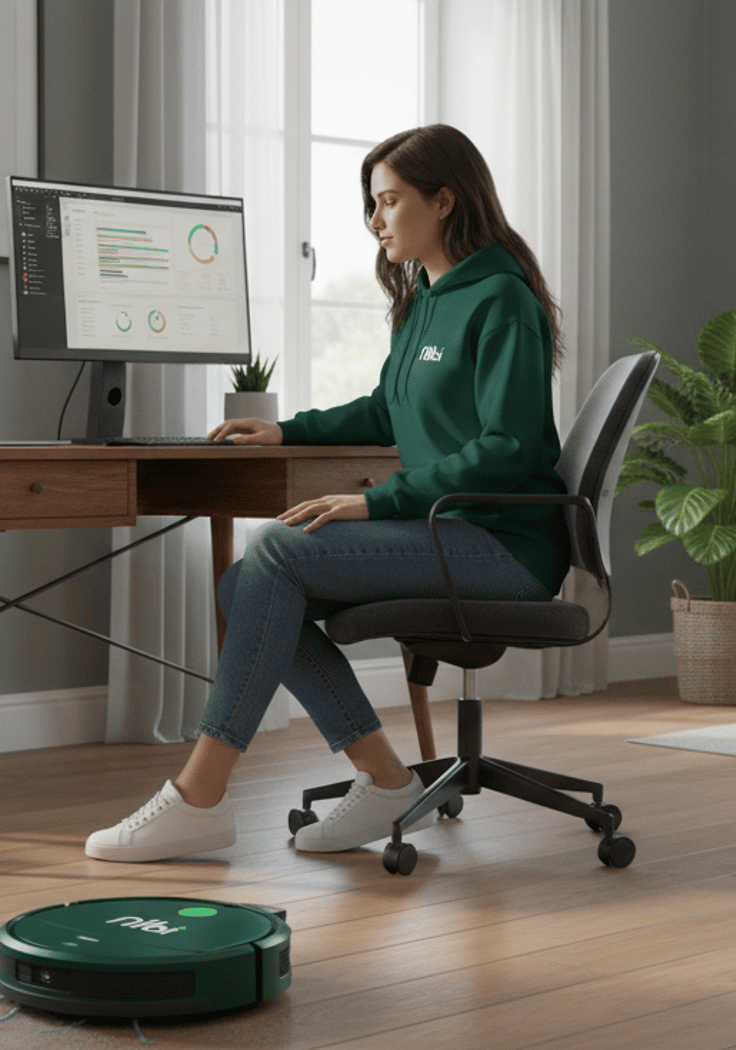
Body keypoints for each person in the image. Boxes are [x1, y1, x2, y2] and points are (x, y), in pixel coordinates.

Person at [84, 123, 571, 862]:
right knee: (243, 582)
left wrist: (376, 503)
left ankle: (200, 796)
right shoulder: (425, 299)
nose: (375, 220)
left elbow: (505, 450)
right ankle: (381, 776)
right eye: (371, 204)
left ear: (444, 201)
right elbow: (383, 410)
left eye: (389, 201)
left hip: (504, 546)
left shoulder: (501, 298)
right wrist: (287, 431)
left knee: (274, 553)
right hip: (451, 531)